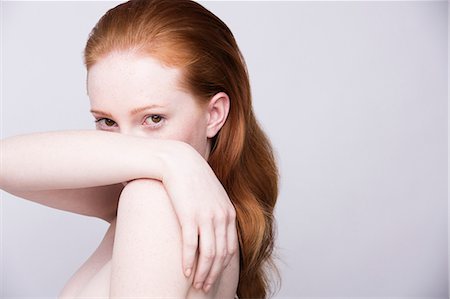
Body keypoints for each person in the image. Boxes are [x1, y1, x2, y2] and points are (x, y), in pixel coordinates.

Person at [0, 0, 279, 298]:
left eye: (154, 119)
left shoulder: (154, 200)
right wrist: (172, 157)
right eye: (107, 121)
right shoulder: (150, 191)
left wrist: (172, 160)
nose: (127, 145)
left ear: (214, 115)